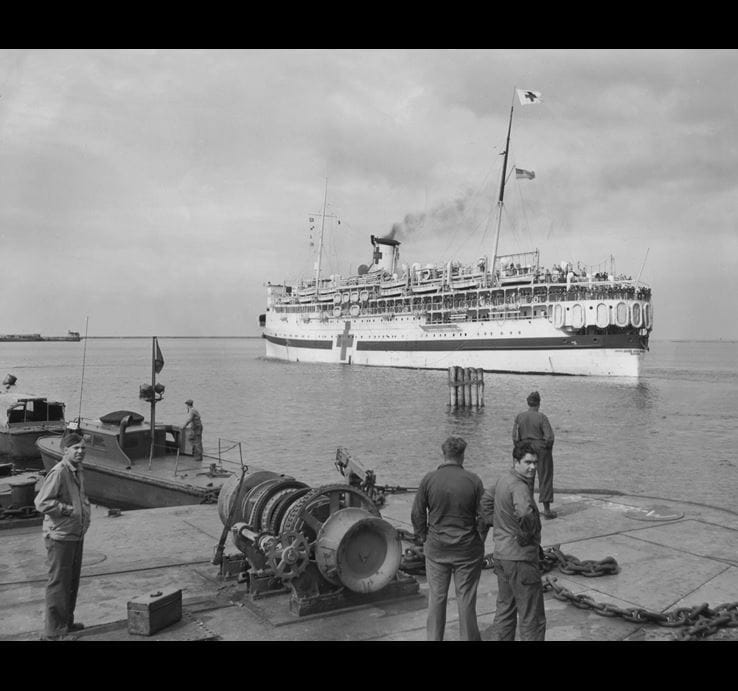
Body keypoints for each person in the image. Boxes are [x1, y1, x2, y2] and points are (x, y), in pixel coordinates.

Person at [411, 436, 485, 641]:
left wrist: (423, 536)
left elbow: (417, 514)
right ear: (462, 455)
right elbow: (485, 515)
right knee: (466, 600)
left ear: (443, 454)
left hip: (436, 549)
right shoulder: (474, 480)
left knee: (436, 599)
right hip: (467, 551)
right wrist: (479, 538)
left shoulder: (429, 479)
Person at [481, 441, 546, 641]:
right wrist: (527, 533)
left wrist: (498, 523)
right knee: (531, 617)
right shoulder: (520, 486)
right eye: (528, 462)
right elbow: (525, 513)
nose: (533, 467)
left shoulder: (503, 480)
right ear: (516, 461)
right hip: (521, 559)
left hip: (502, 555)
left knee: (505, 611)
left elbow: (484, 501)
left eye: (535, 462)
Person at [34, 432, 91, 641]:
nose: (80, 452)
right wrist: (68, 510)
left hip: (75, 534)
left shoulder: (78, 470)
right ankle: (53, 632)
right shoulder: (59, 472)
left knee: (71, 582)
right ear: (64, 451)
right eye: (76, 448)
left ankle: (66, 623)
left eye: (83, 448)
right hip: (60, 536)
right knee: (58, 583)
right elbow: (42, 502)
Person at [512, 391, 556, 519]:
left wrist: (519, 448)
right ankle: (546, 510)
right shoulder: (541, 417)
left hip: (525, 447)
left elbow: (515, 437)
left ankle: (528, 507)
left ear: (528, 403)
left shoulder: (519, 417)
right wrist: (546, 449)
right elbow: (549, 437)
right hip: (540, 448)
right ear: (539, 403)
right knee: (545, 477)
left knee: (526, 477)